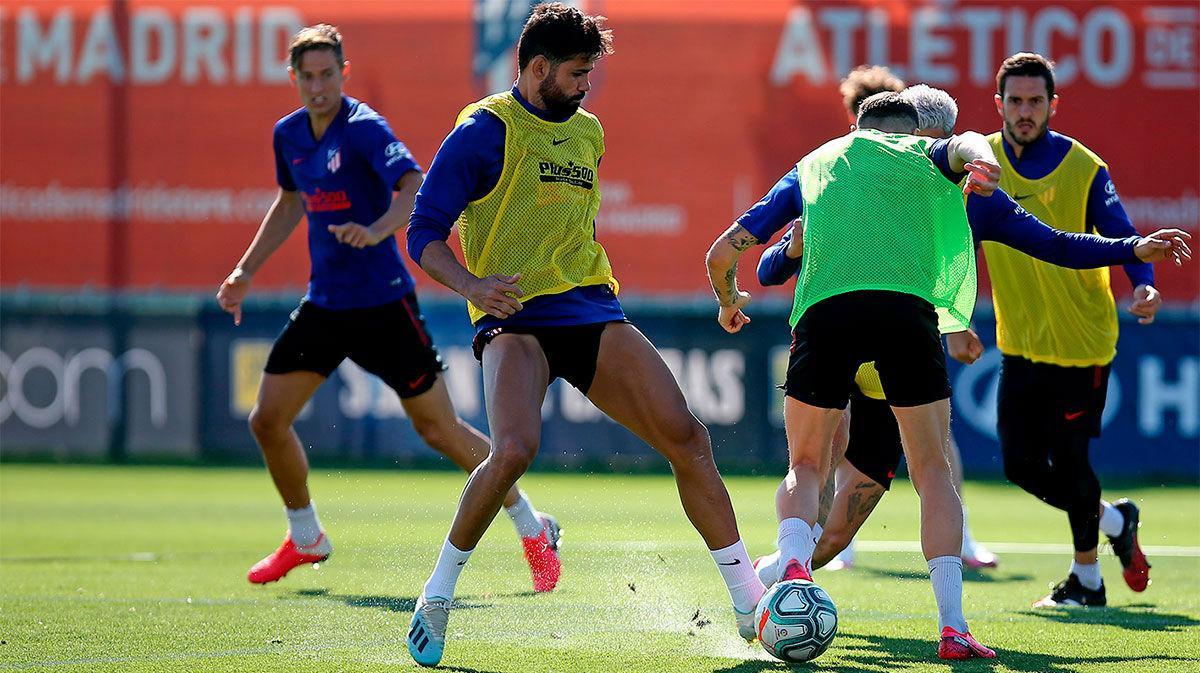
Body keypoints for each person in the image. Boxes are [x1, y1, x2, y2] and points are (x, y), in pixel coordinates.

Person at [402, 5, 764, 666]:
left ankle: (752, 603)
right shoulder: (484, 131)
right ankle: (436, 595)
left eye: (589, 74)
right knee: (512, 449)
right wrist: (474, 287)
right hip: (514, 318)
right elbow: (422, 235)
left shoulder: (587, 131)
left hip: (590, 310)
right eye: (575, 74)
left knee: (688, 437)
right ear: (537, 68)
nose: (584, 87)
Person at [750, 84, 1190, 580]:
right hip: (836, 347)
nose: (920, 155)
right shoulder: (850, 177)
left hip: (894, 365)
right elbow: (767, 270)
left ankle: (767, 587)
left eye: (934, 144)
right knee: (817, 461)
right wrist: (792, 249)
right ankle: (788, 590)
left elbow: (1055, 244)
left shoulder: (972, 194)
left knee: (835, 535)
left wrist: (1132, 252)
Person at [215, 24, 561, 590]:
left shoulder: (365, 129)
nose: (318, 85)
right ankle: (305, 536)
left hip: (383, 306)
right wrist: (244, 271)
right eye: (308, 76)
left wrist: (376, 231)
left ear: (343, 73)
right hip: (325, 304)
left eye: (328, 74)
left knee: (441, 429)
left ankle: (532, 525)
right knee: (267, 419)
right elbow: (290, 202)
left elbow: (412, 187)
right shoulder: (290, 136)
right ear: (294, 78)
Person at [706, 92, 1000, 660]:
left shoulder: (816, 163)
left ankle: (792, 566)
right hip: (905, 317)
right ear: (911, 132)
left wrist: (727, 302)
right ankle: (954, 627)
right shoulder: (927, 156)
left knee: (805, 464)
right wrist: (981, 156)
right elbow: (966, 146)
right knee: (934, 471)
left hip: (826, 316)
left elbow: (723, 253)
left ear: (854, 126)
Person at [988, 53, 1170, 607]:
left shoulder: (1085, 167)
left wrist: (1143, 284)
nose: (1024, 112)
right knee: (1018, 465)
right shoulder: (981, 163)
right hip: (1019, 338)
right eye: (1015, 101)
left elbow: (1123, 234)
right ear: (998, 105)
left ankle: (1086, 580)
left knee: (1070, 462)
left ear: (1052, 106)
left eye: (1035, 102)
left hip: (1083, 339)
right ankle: (1117, 520)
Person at [835, 68, 997, 571]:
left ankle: (961, 538)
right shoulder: (847, 163)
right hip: (846, 317)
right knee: (836, 432)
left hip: (907, 321)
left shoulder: (939, 168)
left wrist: (954, 319)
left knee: (930, 438)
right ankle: (832, 539)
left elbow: (947, 252)